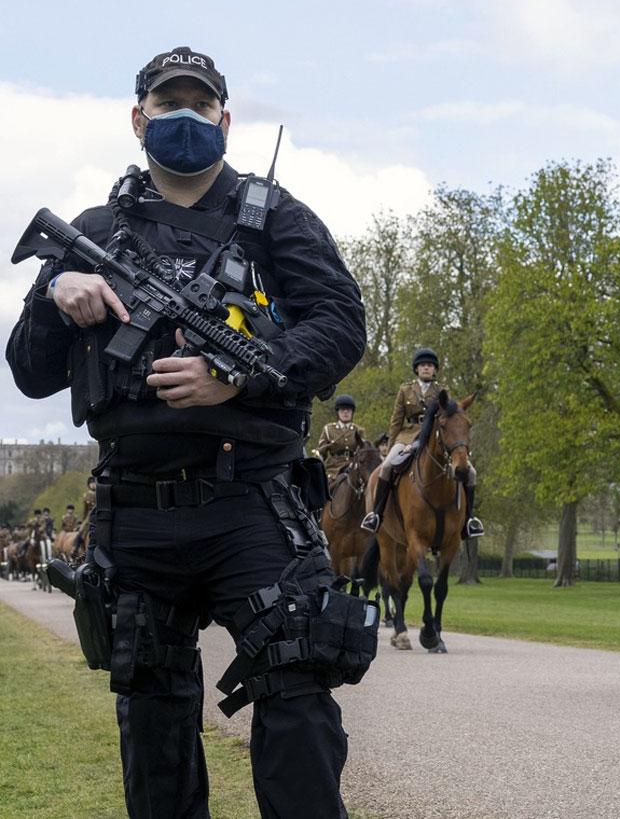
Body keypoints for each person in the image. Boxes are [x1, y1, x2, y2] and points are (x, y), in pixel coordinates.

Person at [6, 45, 368, 818]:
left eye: (199, 105)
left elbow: (342, 325)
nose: (183, 117)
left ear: (225, 120)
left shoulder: (277, 219)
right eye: (166, 103)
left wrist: (242, 371)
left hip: (255, 502)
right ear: (138, 119)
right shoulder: (92, 231)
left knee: (299, 695)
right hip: (137, 512)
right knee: (156, 729)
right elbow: (30, 372)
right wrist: (53, 291)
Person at [361, 348, 482, 537]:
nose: (427, 368)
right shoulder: (405, 390)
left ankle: (469, 520)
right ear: (417, 369)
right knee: (386, 467)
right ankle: (376, 515)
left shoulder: (443, 391)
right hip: (407, 436)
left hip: (435, 438)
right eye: (423, 365)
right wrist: (393, 445)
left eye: (430, 366)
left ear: (435, 370)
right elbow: (396, 421)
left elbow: (450, 419)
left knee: (471, 473)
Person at [316, 394, 366, 477]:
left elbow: (363, 451)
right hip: (334, 469)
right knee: (325, 486)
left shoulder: (359, 430)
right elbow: (321, 452)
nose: (345, 412)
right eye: (342, 409)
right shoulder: (329, 429)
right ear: (337, 412)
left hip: (353, 467)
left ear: (352, 412)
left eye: (348, 410)